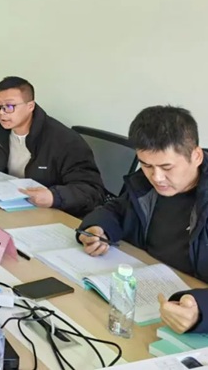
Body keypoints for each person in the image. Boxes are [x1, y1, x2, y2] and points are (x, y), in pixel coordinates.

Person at [77, 106, 208, 333]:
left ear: (196, 156)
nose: (157, 177)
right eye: (146, 165)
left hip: (185, 311)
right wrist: (98, 228)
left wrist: (202, 312)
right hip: (143, 297)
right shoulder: (145, 185)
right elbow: (118, 209)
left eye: (166, 167)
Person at [0, 76, 104, 217]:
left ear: (30, 106)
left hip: (47, 213)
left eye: (9, 106)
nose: (1, 113)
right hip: (8, 206)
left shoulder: (64, 141)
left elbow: (92, 190)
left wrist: (54, 196)